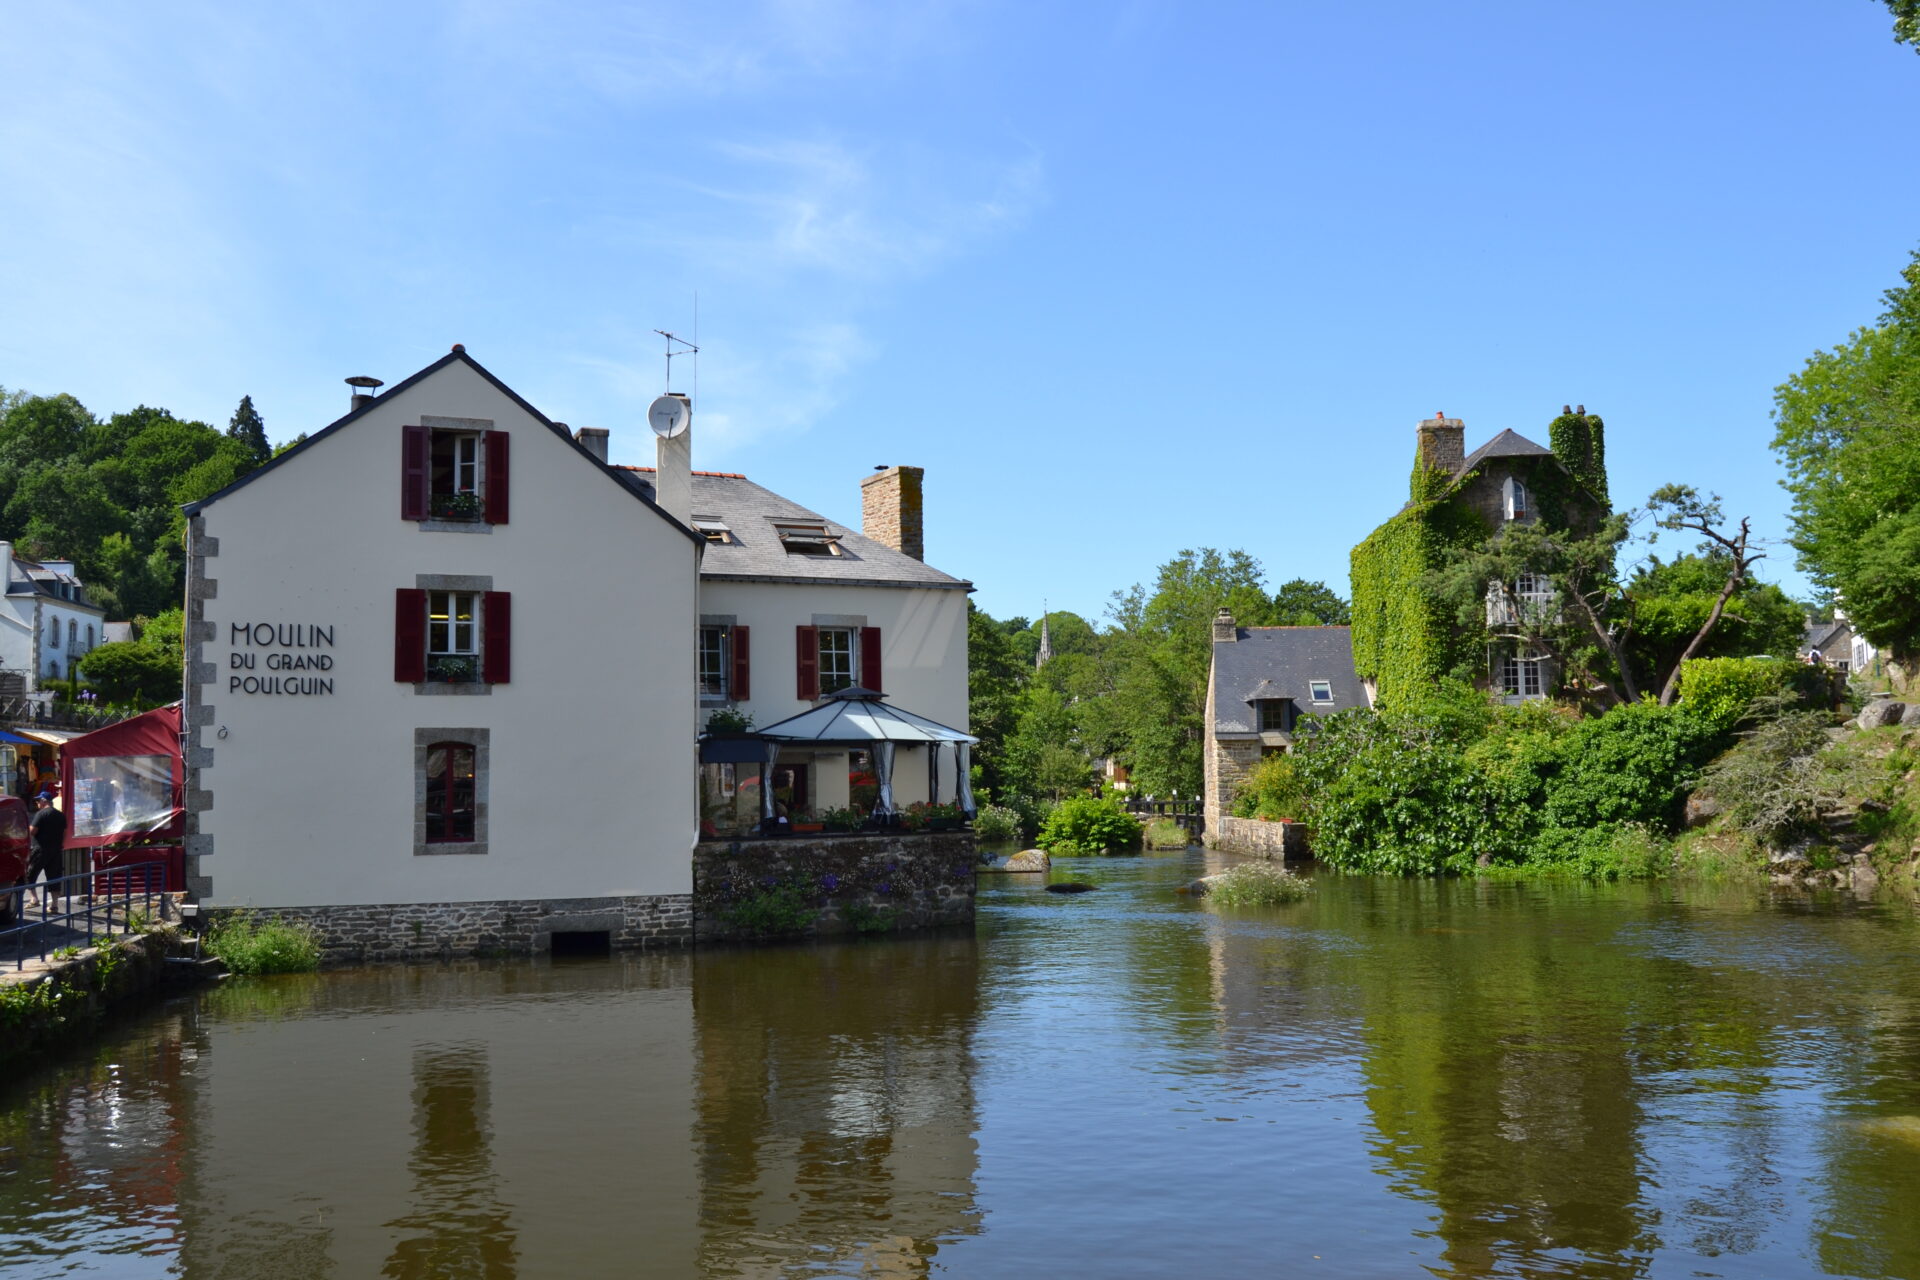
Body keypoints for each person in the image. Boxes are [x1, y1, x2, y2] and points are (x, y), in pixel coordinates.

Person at [28, 792, 67, 908]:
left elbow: (32, 831)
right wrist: (61, 845)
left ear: (44, 801)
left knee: (29, 874)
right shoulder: (61, 815)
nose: (37, 803)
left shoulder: (41, 814)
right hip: (56, 850)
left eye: (38, 801)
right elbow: (64, 833)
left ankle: (34, 899)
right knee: (54, 877)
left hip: (40, 849)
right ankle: (54, 905)